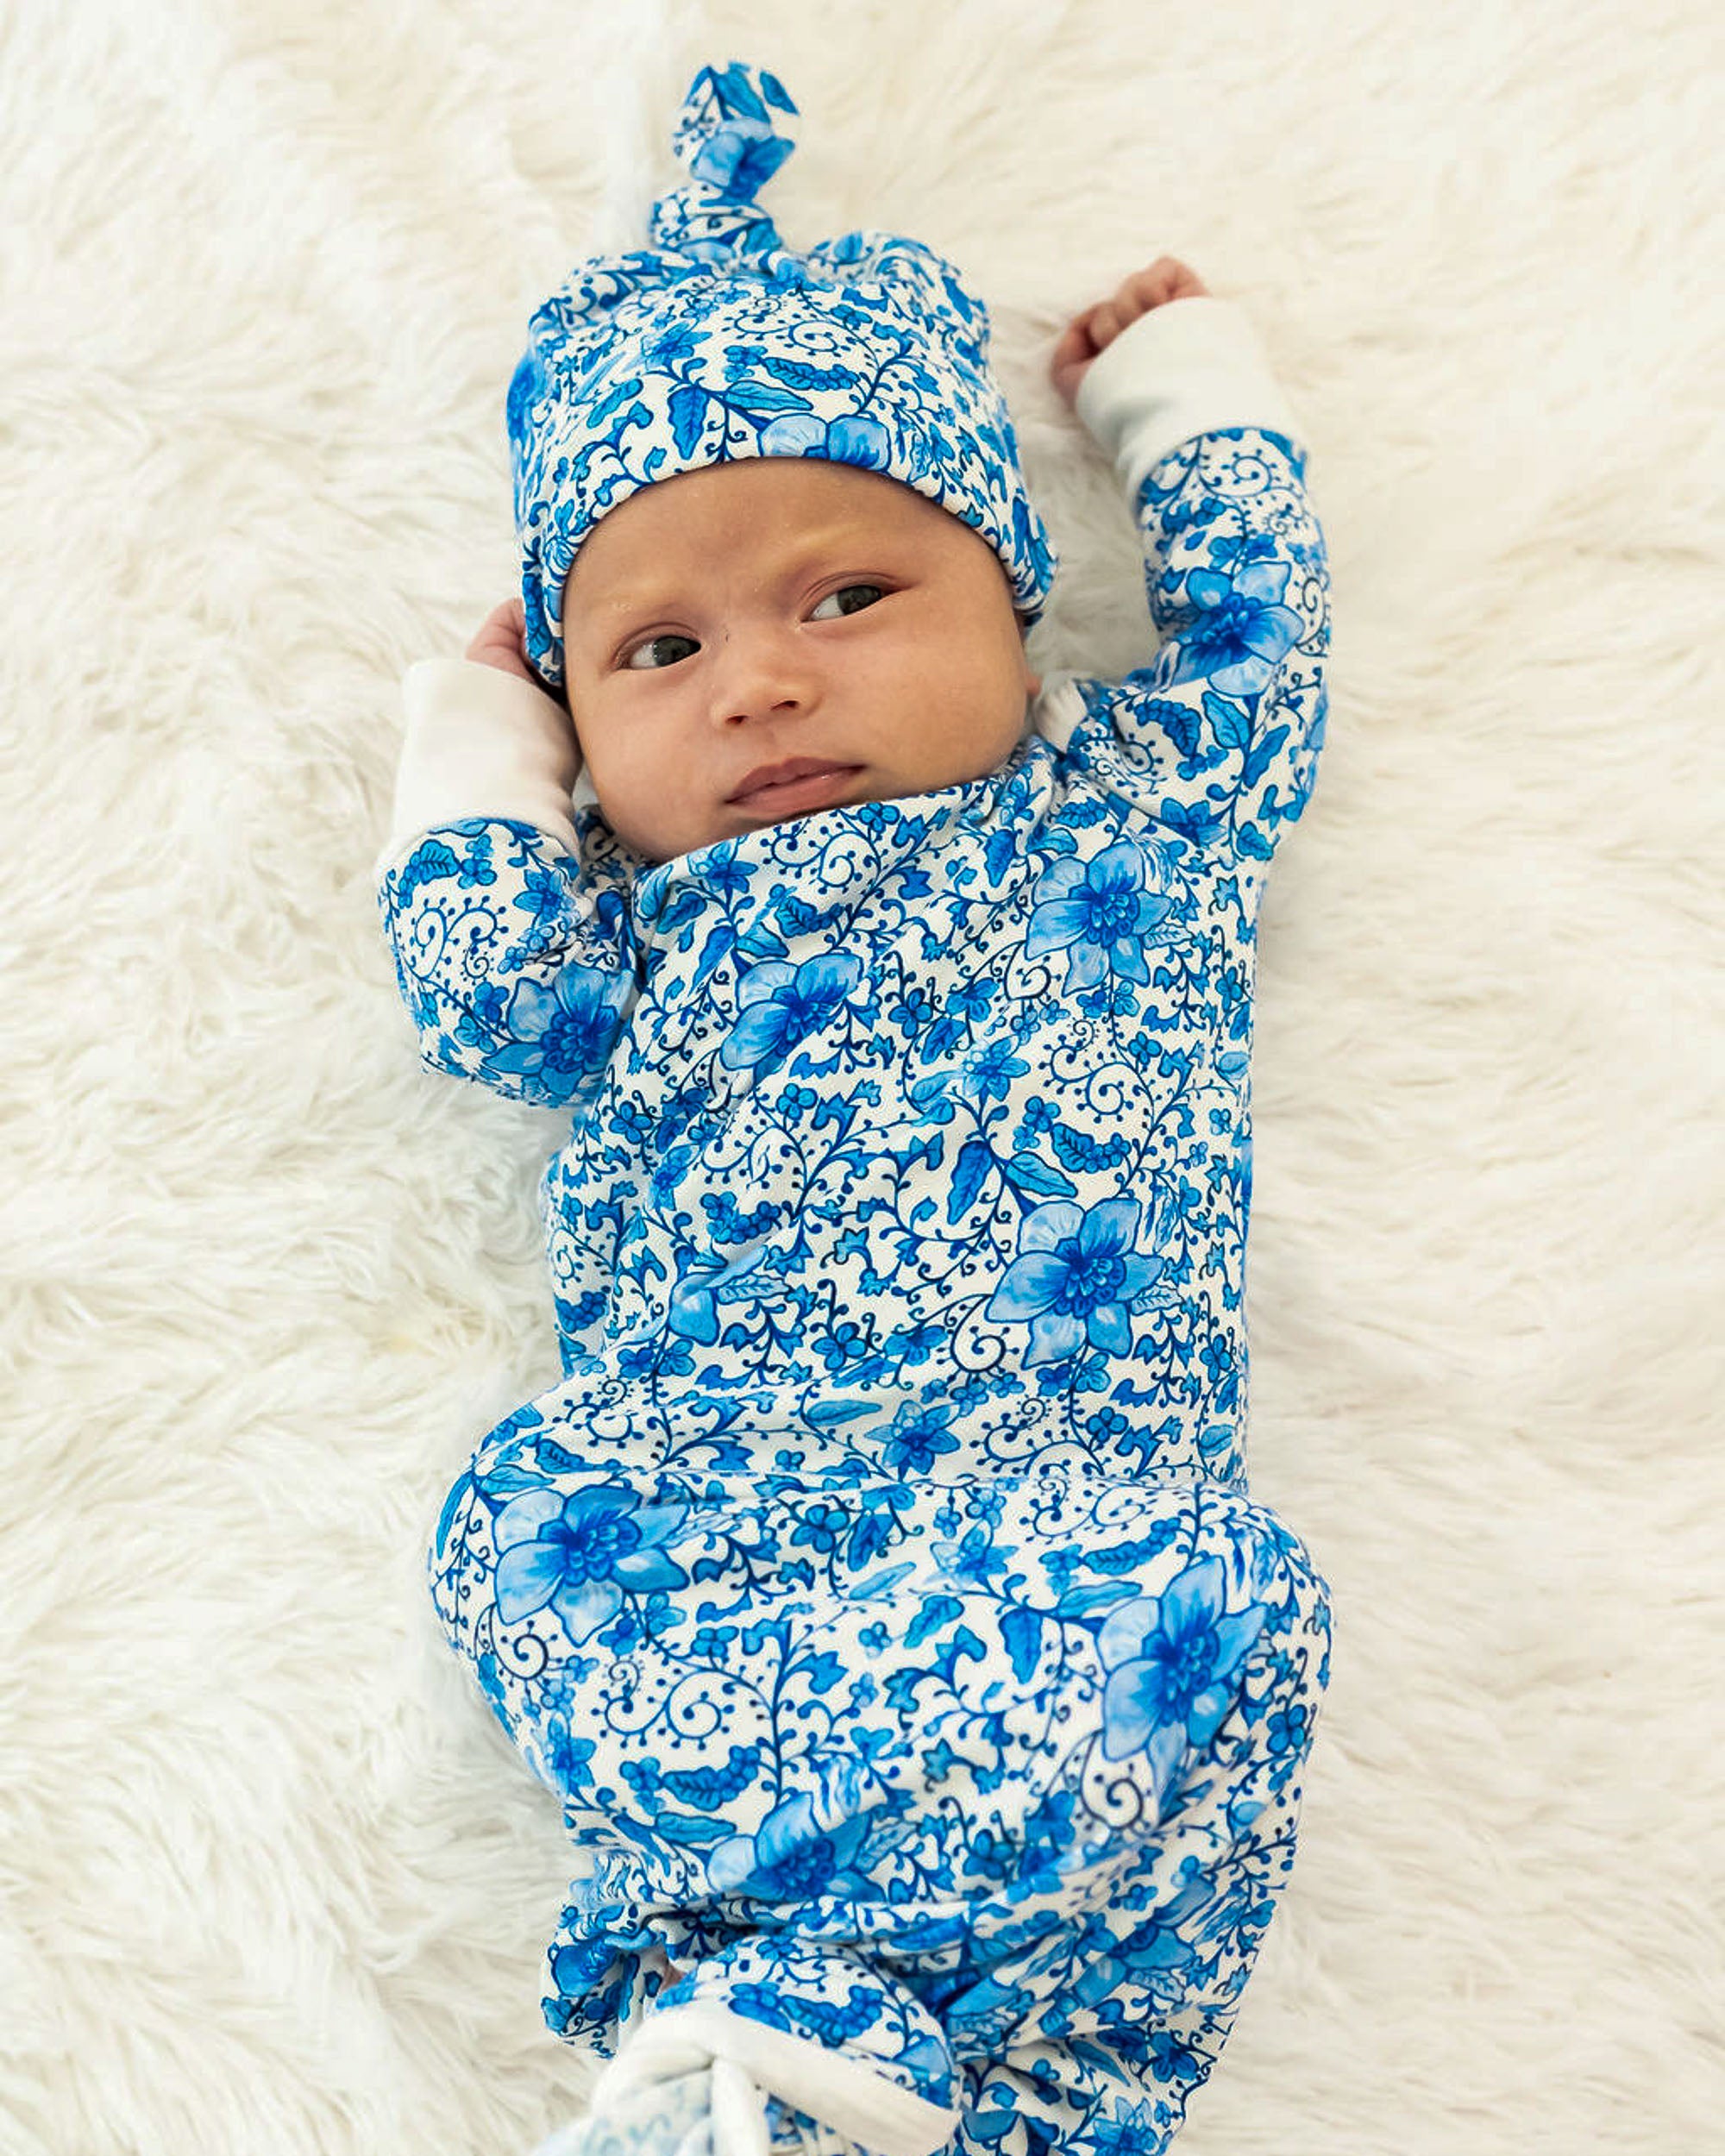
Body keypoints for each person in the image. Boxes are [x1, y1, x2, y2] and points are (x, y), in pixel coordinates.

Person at [376, 60, 1333, 2156]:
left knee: (1205, 1611)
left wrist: (1182, 408)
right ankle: (795, 2056)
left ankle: (824, 2073)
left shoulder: (1130, 810)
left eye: (846, 597)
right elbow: (482, 993)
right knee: (514, 1527)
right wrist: (476, 742)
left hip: (1046, 1502)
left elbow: (1262, 654)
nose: (758, 684)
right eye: (653, 649)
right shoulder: (634, 931)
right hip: (696, 1511)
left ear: (1011, 602)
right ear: (580, 718)